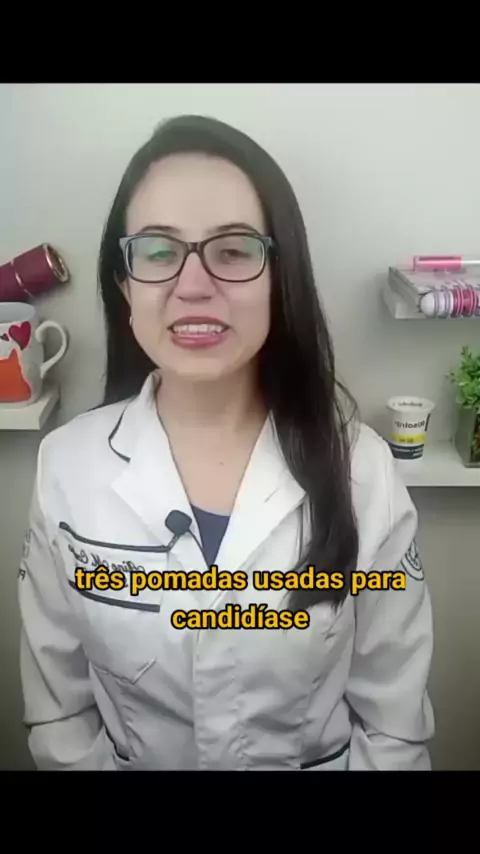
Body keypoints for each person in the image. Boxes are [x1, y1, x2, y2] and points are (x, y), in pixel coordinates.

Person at [17, 115, 434, 771]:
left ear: (278, 276)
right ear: (124, 284)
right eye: (158, 251)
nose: (193, 285)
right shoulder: (66, 469)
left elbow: (394, 728)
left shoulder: (362, 470)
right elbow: (59, 715)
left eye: (234, 250)